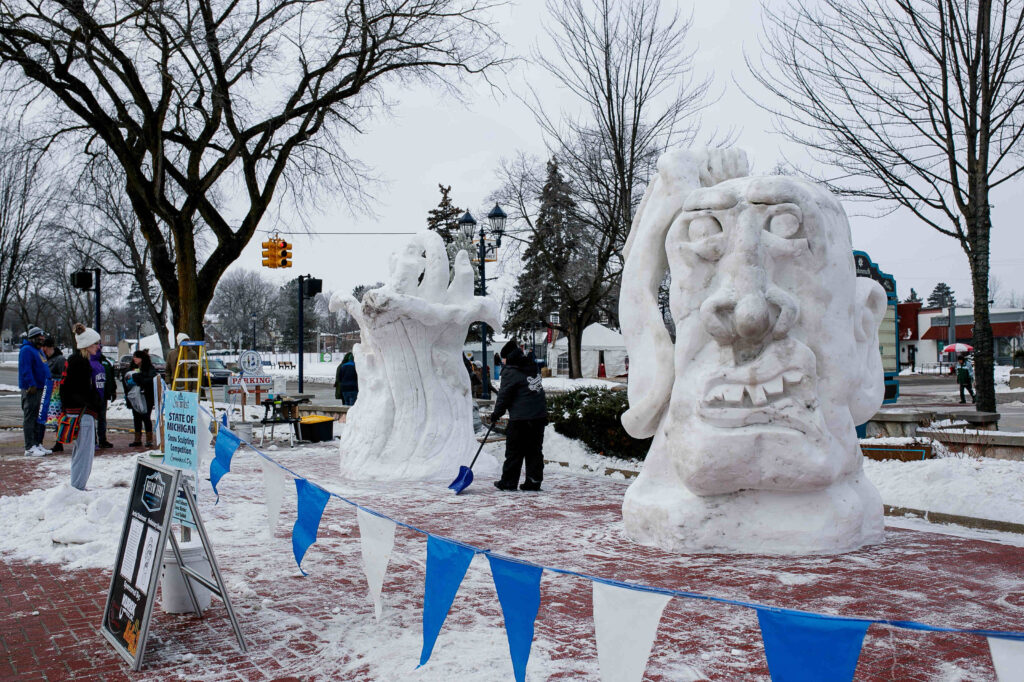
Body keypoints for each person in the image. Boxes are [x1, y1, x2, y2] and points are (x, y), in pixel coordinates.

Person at [492, 338, 548, 492]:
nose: (502, 361)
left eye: (503, 358)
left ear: (508, 356)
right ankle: (533, 481)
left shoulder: (511, 371)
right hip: (538, 417)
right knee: (534, 451)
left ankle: (509, 482)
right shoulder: (531, 365)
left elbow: (504, 395)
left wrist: (496, 414)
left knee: (514, 451)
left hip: (521, 419)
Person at [64, 324, 104, 490]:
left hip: (76, 412)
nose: (98, 346)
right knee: (84, 453)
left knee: (80, 451)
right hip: (83, 413)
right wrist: (94, 403)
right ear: (86, 345)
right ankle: (78, 486)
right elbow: (82, 390)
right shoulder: (81, 364)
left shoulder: (74, 361)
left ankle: (77, 484)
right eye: (95, 343)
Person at [18, 326, 50, 456]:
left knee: (38, 417)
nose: (42, 339)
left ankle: (37, 443)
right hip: (32, 389)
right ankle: (29, 447)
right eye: (39, 337)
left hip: (41, 387)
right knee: (30, 417)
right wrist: (31, 384)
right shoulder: (26, 350)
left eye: (43, 337)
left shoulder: (38, 351)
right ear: (32, 338)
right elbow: (26, 369)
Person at [123, 350, 158, 447]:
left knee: (146, 417)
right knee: (136, 417)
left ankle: (149, 439)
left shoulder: (149, 369)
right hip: (134, 396)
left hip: (146, 396)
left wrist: (139, 379)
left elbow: (151, 380)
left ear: (142, 358)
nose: (134, 359)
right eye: (134, 357)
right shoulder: (132, 368)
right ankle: (137, 439)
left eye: (137, 357)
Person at [41, 337, 66, 452]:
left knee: (57, 418)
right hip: (47, 392)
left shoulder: (59, 359)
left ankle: (59, 442)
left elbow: (63, 376)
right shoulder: (45, 358)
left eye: (45, 348)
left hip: (56, 393)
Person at [95, 350, 116, 448]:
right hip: (93, 395)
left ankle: (102, 439)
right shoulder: (90, 362)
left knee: (102, 418)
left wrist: (112, 390)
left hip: (103, 394)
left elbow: (111, 378)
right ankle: (94, 440)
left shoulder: (106, 362)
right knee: (94, 419)